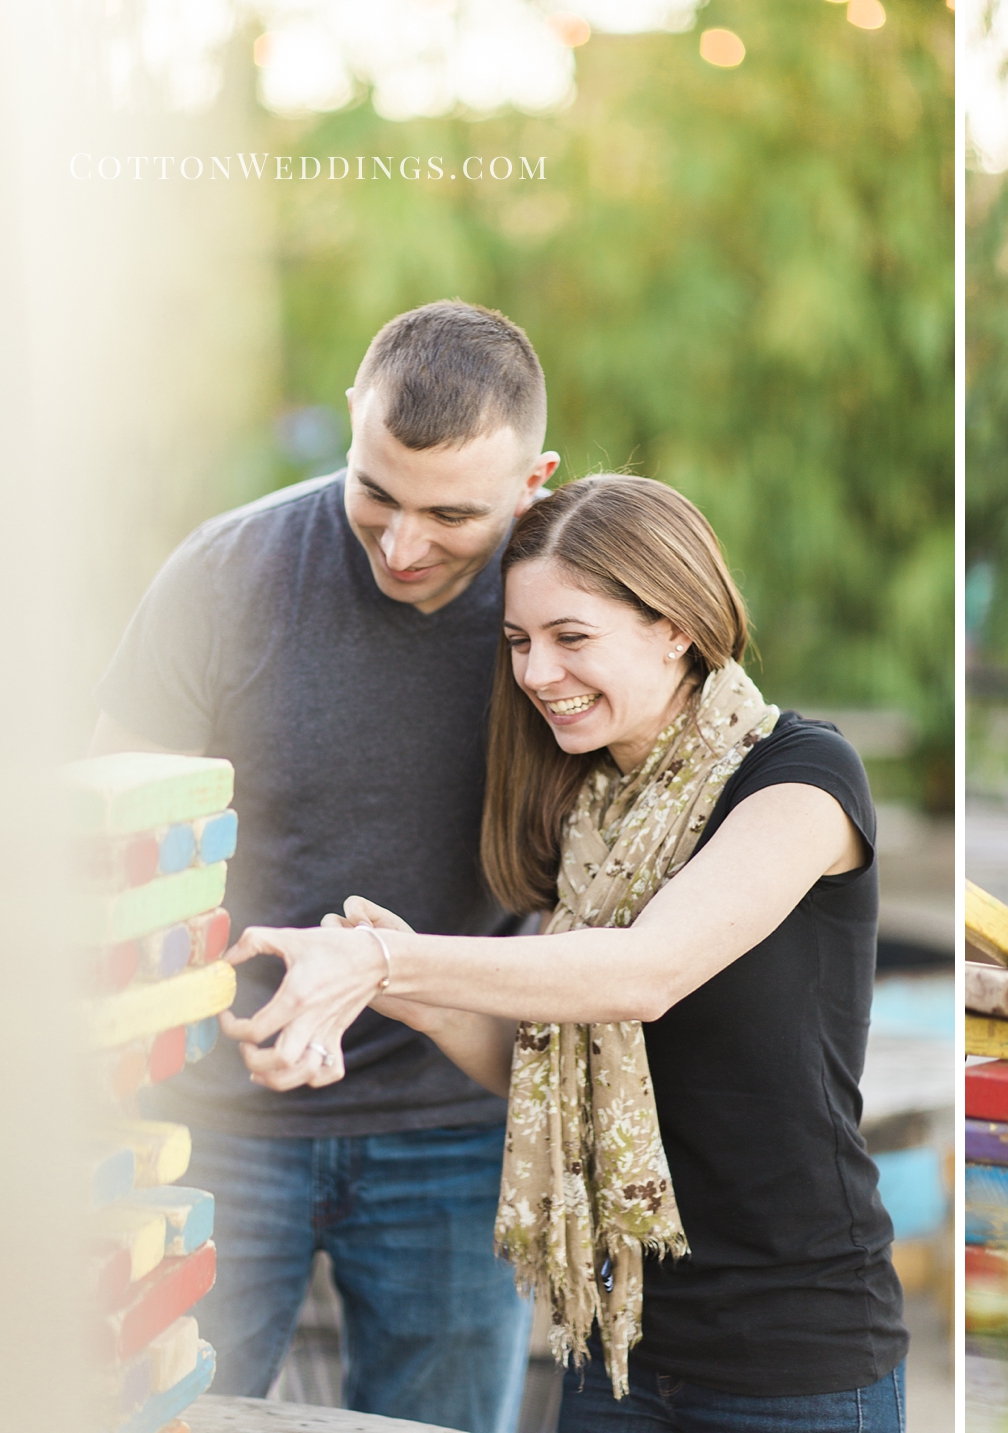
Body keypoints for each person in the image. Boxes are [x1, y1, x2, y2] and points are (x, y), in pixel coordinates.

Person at [217, 474, 909, 1433]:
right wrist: (390, 974)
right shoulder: (593, 815)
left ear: (676, 624)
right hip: (617, 1342)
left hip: (795, 1357)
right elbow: (537, 1058)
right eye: (518, 642)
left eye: (570, 637)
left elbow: (643, 973)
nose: (537, 672)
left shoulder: (801, 779)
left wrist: (390, 966)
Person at [92, 300, 559, 1431]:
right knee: (158, 1411)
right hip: (215, 1119)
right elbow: (110, 843)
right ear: (352, 423)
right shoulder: (222, 574)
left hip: (452, 1127)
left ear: (535, 482)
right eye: (376, 494)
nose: (403, 545)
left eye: (452, 515)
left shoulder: (567, 617)